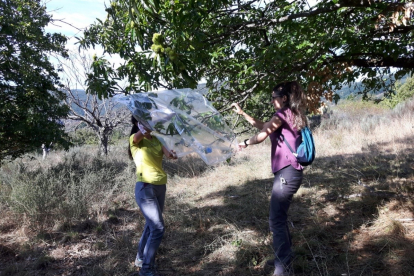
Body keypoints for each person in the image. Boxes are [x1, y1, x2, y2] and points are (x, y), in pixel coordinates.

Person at [231, 81, 307, 276]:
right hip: (289, 173)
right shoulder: (291, 114)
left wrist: (245, 143)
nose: (272, 101)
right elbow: (264, 126)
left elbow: (262, 134)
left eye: (274, 98)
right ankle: (284, 260)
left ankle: (282, 269)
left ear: (283, 98)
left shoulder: (282, 114)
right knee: (279, 218)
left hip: (287, 173)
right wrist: (243, 114)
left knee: (276, 221)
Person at [128, 115, 177, 276]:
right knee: (158, 227)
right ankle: (146, 269)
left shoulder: (156, 139)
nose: (149, 123)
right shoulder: (135, 140)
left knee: (151, 226)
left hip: (160, 185)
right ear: (137, 122)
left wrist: (172, 155)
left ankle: (141, 259)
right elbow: (141, 133)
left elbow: (168, 155)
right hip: (145, 187)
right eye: (143, 120)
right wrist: (165, 117)